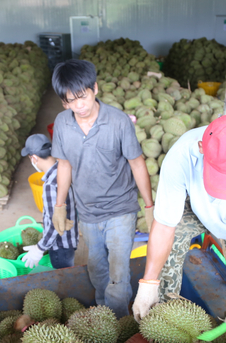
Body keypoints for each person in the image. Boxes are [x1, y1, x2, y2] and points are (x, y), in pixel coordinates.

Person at [131, 114, 226, 327]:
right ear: (201, 148)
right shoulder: (182, 154)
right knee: (168, 251)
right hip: (198, 209)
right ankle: (164, 316)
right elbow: (165, 223)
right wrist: (148, 282)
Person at [50, 59, 154, 318]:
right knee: (96, 270)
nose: (79, 106)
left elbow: (137, 163)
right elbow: (64, 165)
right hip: (87, 212)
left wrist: (150, 206)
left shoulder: (119, 122)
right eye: (70, 101)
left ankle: (117, 324)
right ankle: (102, 317)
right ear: (64, 102)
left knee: (118, 274)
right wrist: (59, 206)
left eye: (83, 97)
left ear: (95, 88)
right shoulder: (62, 124)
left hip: (121, 208)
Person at [20, 134, 78, 269]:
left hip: (60, 245)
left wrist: (40, 248)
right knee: (68, 272)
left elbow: (55, 224)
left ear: (34, 158)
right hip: (70, 239)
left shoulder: (51, 184)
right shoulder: (64, 170)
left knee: (64, 278)